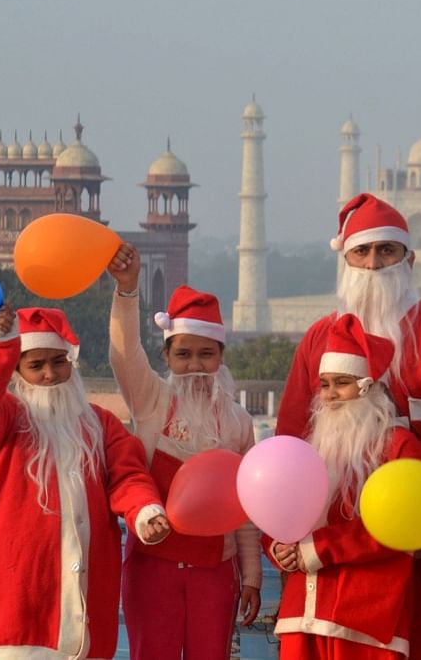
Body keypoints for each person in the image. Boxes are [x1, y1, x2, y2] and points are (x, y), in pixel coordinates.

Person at [277, 193, 421, 658]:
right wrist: (280, 537)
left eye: (387, 250)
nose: (373, 263)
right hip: (332, 553)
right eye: (361, 251)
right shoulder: (319, 339)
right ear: (345, 258)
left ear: (409, 257)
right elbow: (289, 444)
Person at [0, 304, 171, 660]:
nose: (49, 374)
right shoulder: (11, 422)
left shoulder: (100, 424)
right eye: (36, 365)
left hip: (90, 601)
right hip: (23, 600)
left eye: (59, 362)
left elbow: (128, 476)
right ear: (18, 370)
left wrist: (145, 513)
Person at [107, 243, 262, 660]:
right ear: (166, 356)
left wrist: (252, 577)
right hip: (151, 569)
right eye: (184, 355)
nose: (195, 365)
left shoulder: (237, 423)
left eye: (206, 354)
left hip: (215, 572)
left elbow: (247, 509)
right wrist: (127, 291)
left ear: (222, 356)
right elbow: (123, 357)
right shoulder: (152, 401)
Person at [268, 313, 421, 659]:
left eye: (342, 382)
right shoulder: (311, 448)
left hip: (366, 617)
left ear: (370, 386)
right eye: (324, 384)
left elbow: (402, 528)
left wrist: (318, 548)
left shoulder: (401, 447)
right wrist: (282, 547)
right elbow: (281, 511)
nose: (330, 395)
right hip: (302, 612)